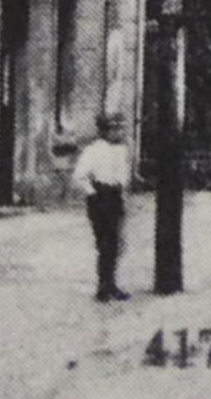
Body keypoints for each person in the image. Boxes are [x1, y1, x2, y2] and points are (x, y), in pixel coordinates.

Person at [70, 111, 134, 301]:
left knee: (117, 244)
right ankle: (103, 288)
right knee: (105, 244)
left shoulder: (121, 150)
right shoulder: (93, 151)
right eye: (115, 129)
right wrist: (93, 194)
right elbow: (79, 176)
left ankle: (112, 284)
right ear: (105, 130)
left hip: (115, 196)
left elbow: (123, 176)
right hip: (100, 196)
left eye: (121, 128)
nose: (119, 133)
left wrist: (122, 194)